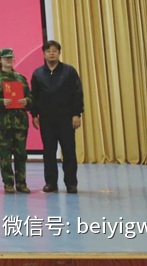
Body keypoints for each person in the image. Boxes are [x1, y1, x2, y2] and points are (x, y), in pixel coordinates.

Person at [31, 40, 83, 194]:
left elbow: (77, 93)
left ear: (59, 53)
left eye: (54, 51)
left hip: (66, 118)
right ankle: (51, 183)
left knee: (69, 151)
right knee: (49, 152)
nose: (51, 54)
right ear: (44, 54)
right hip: (46, 119)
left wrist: (77, 114)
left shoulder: (69, 71)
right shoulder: (38, 73)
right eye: (48, 51)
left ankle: (71, 183)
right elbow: (34, 96)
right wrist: (34, 114)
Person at [0, 47, 33, 194]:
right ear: (0, 60)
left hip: (20, 123)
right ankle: (8, 183)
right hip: (3, 123)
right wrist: (1, 102)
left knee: (21, 154)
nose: (8, 61)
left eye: (10, 58)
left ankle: (21, 183)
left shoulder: (21, 79)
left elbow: (31, 97)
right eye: (6, 58)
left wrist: (26, 101)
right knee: (5, 155)